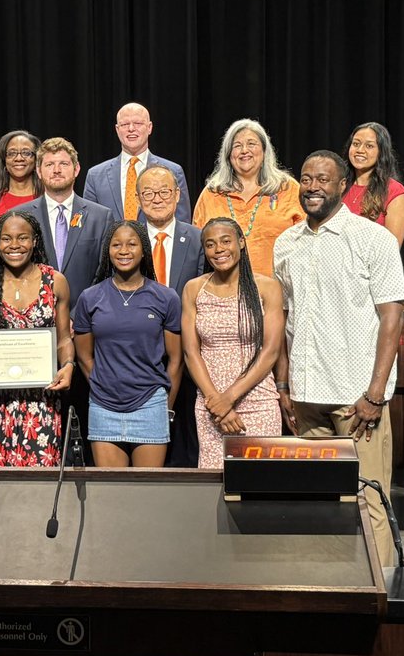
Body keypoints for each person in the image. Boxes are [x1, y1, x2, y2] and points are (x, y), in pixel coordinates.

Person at [274, 150, 404, 568]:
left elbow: (391, 318)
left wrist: (375, 393)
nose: (313, 187)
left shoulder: (372, 239)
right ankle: (331, 585)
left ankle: (382, 589)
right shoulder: (286, 244)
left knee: (369, 501)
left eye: (323, 180)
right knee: (321, 502)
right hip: (306, 398)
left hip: (356, 401)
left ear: (342, 186)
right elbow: (286, 320)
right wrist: (285, 386)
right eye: (307, 179)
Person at [0, 211, 75, 467]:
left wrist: (68, 365)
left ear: (34, 241)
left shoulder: (55, 282)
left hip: (41, 402)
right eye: (6, 238)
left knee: (41, 479)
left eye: (22, 238)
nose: (14, 245)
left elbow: (64, 340)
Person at [21, 137, 113, 455]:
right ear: (38, 171)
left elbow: (105, 272)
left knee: (85, 423)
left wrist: (76, 317)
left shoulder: (101, 216)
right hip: (36, 334)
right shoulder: (21, 216)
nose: (56, 169)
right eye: (49, 164)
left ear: (76, 169)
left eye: (63, 163)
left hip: (88, 332)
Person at [73, 221, 183, 467]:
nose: (124, 251)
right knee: (109, 488)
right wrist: (103, 385)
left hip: (150, 403)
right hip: (103, 406)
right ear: (108, 251)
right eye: (116, 245)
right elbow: (84, 356)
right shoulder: (90, 297)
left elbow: (176, 359)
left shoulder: (166, 297)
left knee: (146, 487)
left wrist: (166, 407)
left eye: (132, 244)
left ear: (143, 250)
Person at [182, 217, 285, 469]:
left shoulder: (267, 287)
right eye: (210, 244)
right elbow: (191, 353)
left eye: (225, 241)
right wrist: (216, 402)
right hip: (211, 404)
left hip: (258, 400)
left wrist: (229, 398)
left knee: (261, 480)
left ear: (240, 242)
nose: (218, 249)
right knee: (215, 482)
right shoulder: (194, 289)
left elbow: (271, 351)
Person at [138, 164, 205, 467]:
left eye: (164, 192)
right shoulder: (128, 239)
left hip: (188, 353)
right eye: (148, 193)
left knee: (184, 444)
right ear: (138, 199)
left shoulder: (198, 238)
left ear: (178, 195)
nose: (157, 199)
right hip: (140, 353)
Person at [192, 119, 302, 277]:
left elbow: (306, 242)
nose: (244, 150)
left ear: (264, 151)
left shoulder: (288, 188)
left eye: (251, 144)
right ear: (228, 155)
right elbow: (198, 248)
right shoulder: (212, 193)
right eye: (237, 146)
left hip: (277, 287)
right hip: (224, 286)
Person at [82, 102, 191, 223]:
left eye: (138, 123)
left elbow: (183, 223)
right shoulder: (95, 176)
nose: (131, 129)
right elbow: (89, 224)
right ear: (117, 130)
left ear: (149, 128)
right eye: (125, 124)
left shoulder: (173, 171)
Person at [341, 122, 404, 247]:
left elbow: (391, 248)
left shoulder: (394, 191)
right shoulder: (338, 185)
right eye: (356, 144)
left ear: (381, 152)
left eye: (369, 146)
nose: (360, 150)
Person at [0, 129, 42, 230]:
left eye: (26, 153)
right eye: (12, 153)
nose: (19, 158)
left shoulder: (47, 195)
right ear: (4, 160)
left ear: (36, 159)